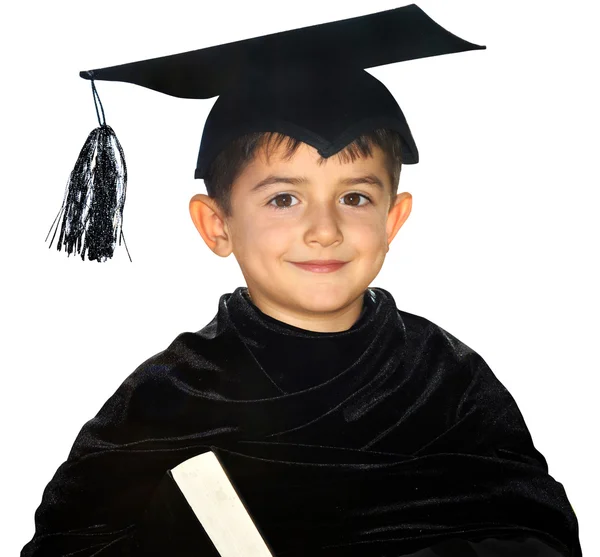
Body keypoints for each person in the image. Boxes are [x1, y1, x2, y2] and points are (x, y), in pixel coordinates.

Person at [23, 5, 581, 556]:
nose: (324, 229)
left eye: (355, 197)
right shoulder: (168, 395)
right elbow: (69, 544)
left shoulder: (446, 378)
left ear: (394, 220)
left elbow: (539, 532)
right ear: (216, 225)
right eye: (283, 199)